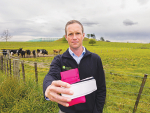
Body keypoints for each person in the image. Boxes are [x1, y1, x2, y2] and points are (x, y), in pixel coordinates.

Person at [43, 20, 106, 113]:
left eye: (78, 33)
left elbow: (101, 88)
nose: (74, 37)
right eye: (70, 34)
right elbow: (50, 76)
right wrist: (48, 87)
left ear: (83, 35)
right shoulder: (59, 60)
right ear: (66, 37)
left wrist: (97, 110)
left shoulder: (95, 59)